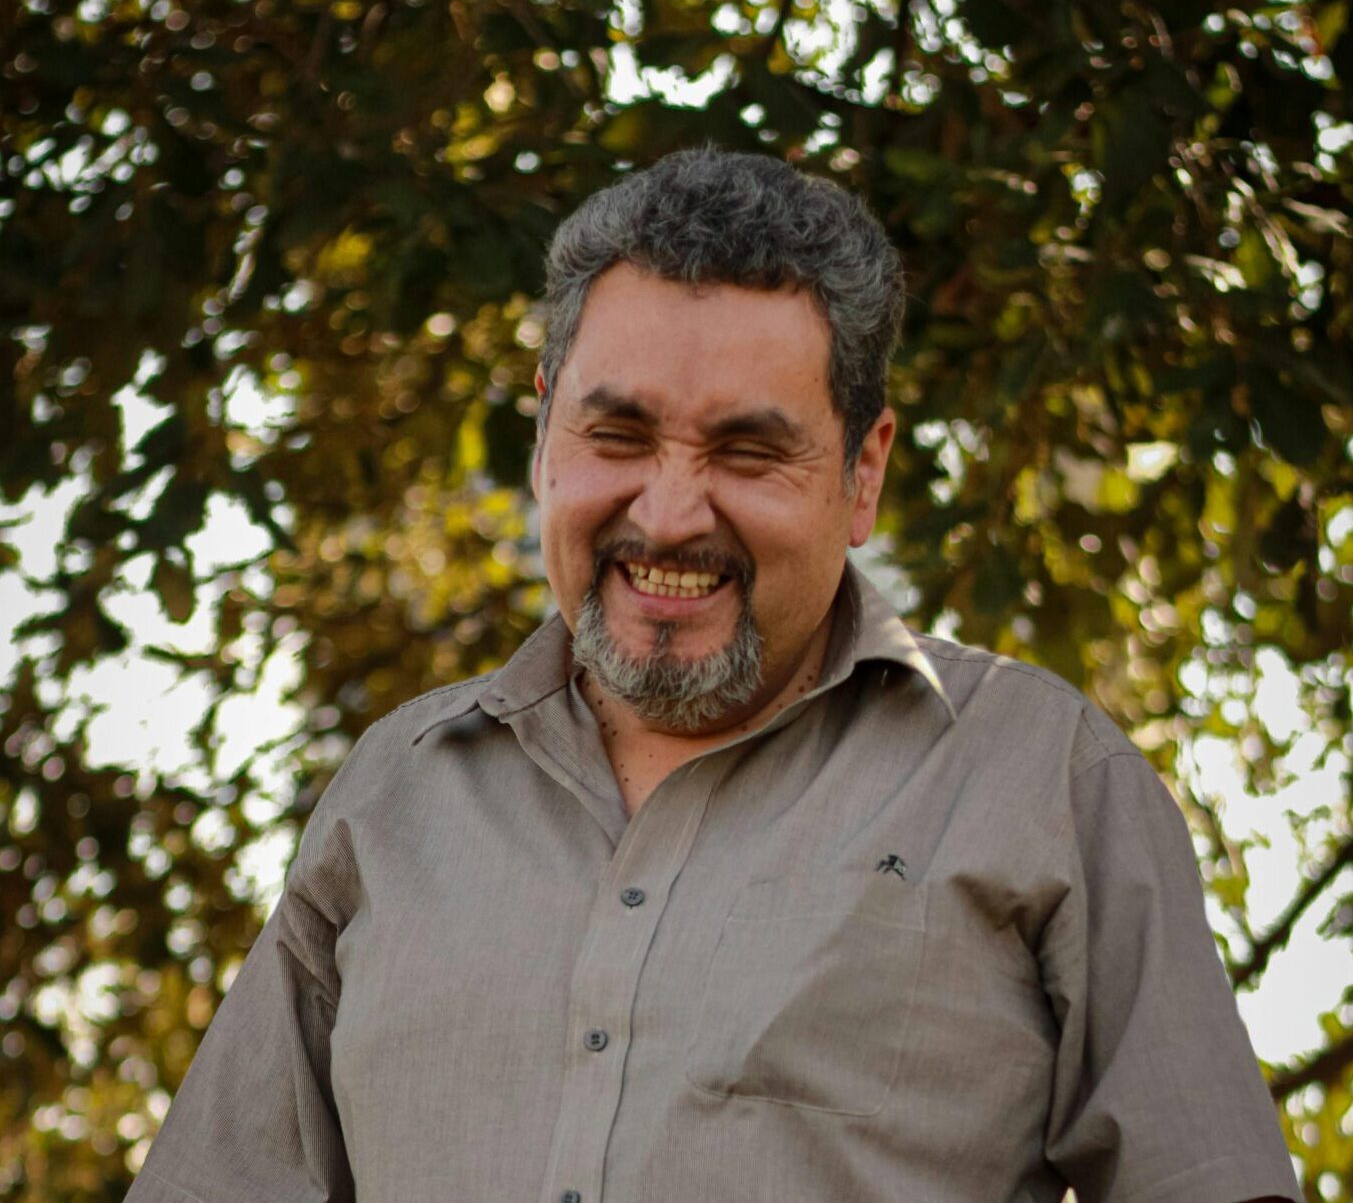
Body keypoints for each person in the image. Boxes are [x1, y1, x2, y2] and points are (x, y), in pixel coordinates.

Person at [127, 150, 1300, 1203]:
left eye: (747, 450)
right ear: (545, 437)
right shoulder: (396, 791)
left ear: (863, 471)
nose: (671, 513)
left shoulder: (1044, 779)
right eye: (619, 436)